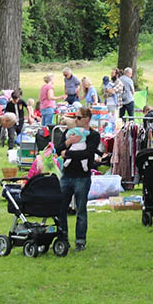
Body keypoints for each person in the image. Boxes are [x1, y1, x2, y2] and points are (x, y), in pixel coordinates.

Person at [58, 107, 100, 252]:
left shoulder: (93, 135)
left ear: (87, 119)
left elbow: (88, 154)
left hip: (82, 177)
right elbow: (58, 149)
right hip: (66, 175)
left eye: (79, 118)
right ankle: (62, 238)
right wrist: (68, 143)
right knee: (60, 208)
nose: (76, 120)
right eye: (75, 117)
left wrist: (67, 153)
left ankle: (80, 241)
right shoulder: (70, 133)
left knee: (81, 210)